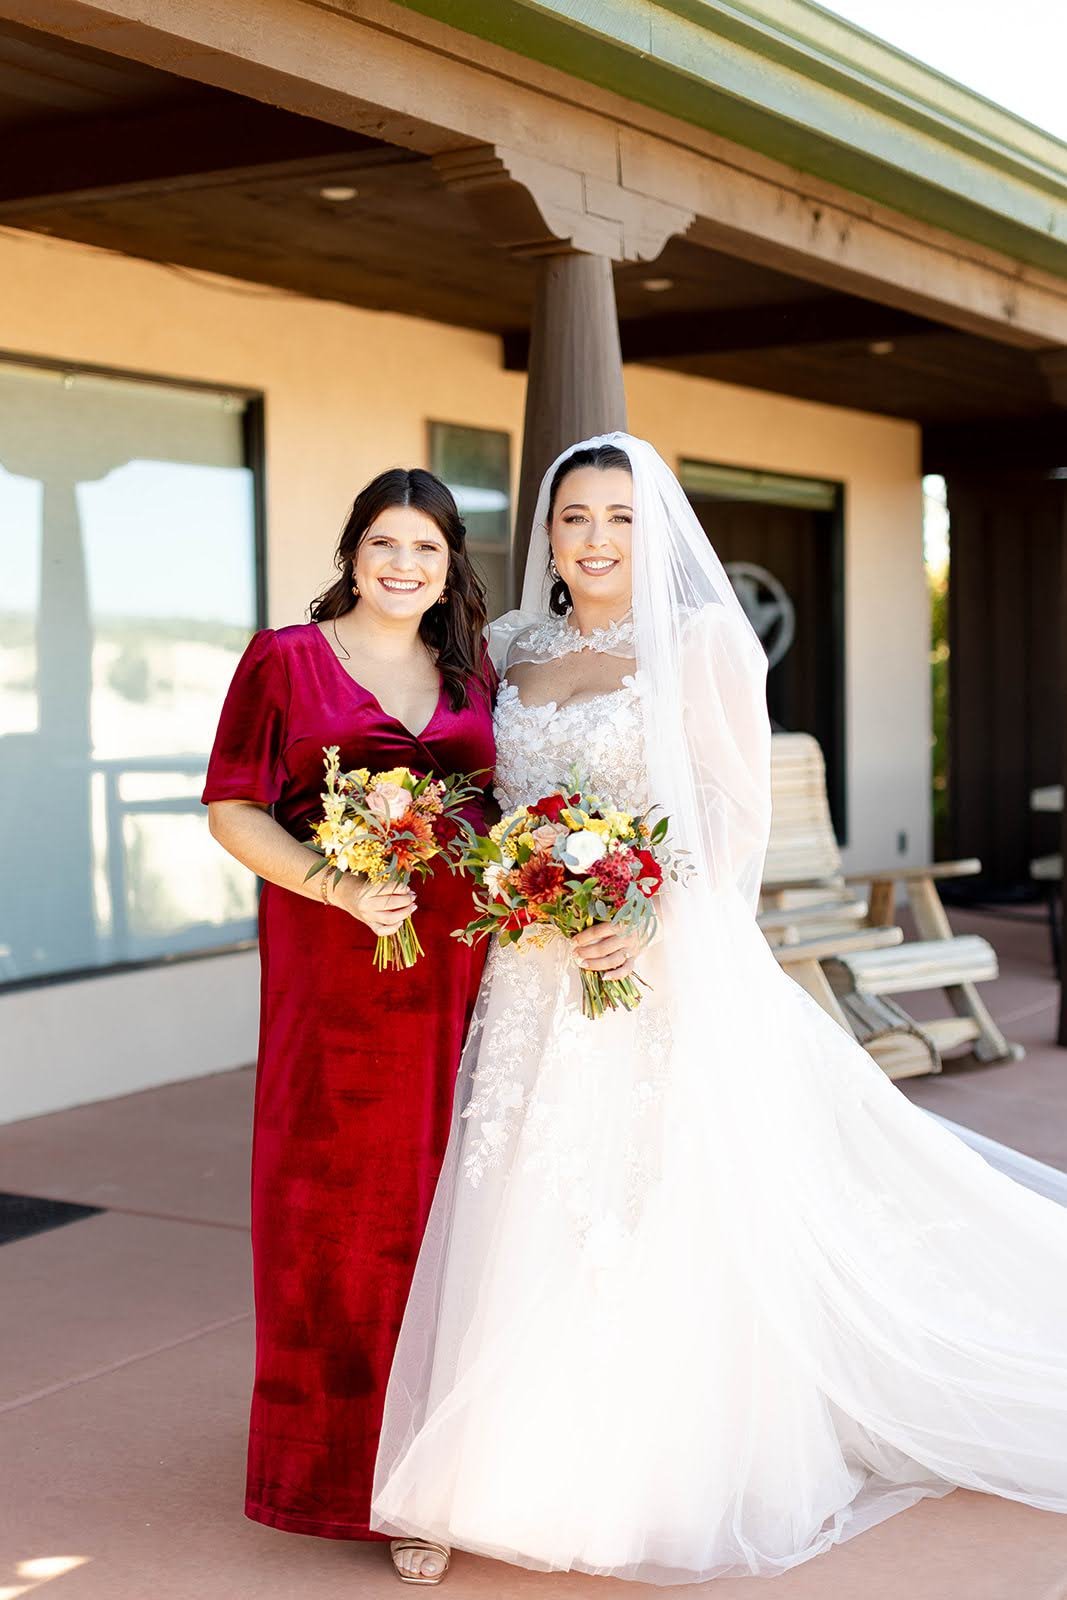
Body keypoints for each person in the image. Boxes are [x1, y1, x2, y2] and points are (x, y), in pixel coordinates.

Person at [370, 434, 1067, 1585]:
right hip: (532, 968)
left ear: (653, 531)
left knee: (646, 1201)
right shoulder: (508, 645)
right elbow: (484, 792)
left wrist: (643, 920)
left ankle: (644, 1472)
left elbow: (734, 821)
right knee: (520, 1198)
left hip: (654, 965)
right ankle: (486, 1470)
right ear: (546, 533)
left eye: (619, 518)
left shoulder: (699, 643)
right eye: (573, 517)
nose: (594, 539)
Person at [201, 467, 496, 1577]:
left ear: (449, 564)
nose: (402, 565)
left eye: (425, 547)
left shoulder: (470, 669)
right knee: (328, 1209)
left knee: (449, 1214)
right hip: (334, 974)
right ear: (352, 551)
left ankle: (432, 1481)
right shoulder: (284, 659)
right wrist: (334, 884)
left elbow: (498, 805)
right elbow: (231, 805)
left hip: (462, 974)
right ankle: (334, 1471)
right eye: (384, 542)